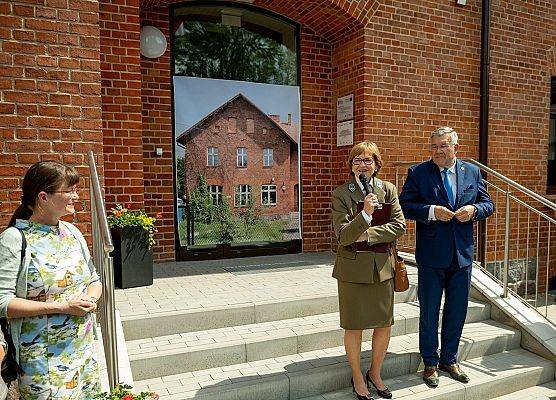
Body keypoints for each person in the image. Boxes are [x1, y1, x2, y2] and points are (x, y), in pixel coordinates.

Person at [398, 127, 494, 388]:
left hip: (462, 256)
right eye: (434, 147)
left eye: (443, 146)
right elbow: (405, 205)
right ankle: (430, 362)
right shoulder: (418, 172)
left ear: (455, 147)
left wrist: (474, 209)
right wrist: (431, 211)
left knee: (457, 310)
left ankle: (449, 360)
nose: (438, 151)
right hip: (431, 255)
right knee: (430, 311)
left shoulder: (472, 171)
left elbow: (489, 204)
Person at [0, 161, 102, 399]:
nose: (76, 196)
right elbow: (2, 302)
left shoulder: (72, 232)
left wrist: (90, 298)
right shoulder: (14, 240)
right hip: (42, 360)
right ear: (43, 197)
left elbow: (93, 278)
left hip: (82, 349)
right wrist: (61, 307)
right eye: (69, 191)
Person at [332, 141, 406, 399]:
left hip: (382, 269)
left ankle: (375, 372)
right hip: (352, 271)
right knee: (354, 326)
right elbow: (343, 237)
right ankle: (356, 376)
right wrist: (364, 214)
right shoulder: (342, 193)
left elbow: (400, 226)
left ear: (376, 164)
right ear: (351, 165)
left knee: (383, 325)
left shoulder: (388, 189)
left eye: (368, 160)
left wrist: (368, 234)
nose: (363, 165)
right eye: (357, 160)